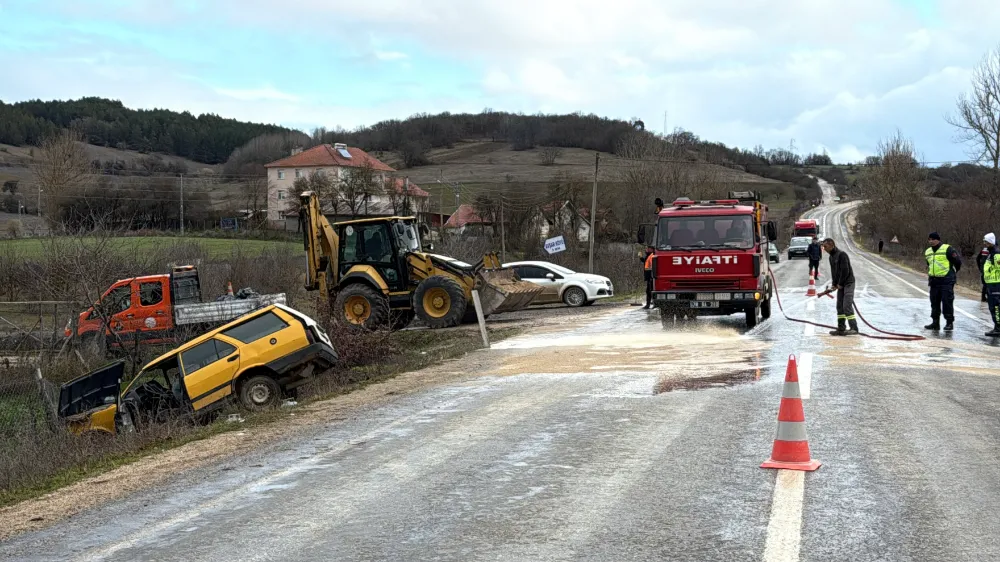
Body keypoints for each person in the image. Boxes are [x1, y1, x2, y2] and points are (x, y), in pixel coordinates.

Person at [817, 238, 858, 336]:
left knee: (847, 305)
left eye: (825, 246)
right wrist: (834, 284)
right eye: (823, 247)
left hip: (848, 283)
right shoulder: (831, 257)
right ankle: (841, 328)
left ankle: (854, 328)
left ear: (832, 245)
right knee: (839, 306)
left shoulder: (842, 255)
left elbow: (845, 271)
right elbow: (834, 273)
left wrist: (840, 284)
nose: (824, 249)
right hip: (840, 284)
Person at [924, 232, 962, 331]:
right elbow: (929, 264)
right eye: (929, 239)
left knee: (947, 302)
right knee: (934, 302)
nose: (931, 241)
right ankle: (935, 323)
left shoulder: (947, 249)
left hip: (946, 280)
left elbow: (957, 262)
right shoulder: (928, 251)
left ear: (938, 240)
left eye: (933, 239)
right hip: (934, 280)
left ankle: (949, 323)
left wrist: (952, 273)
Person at [982, 233, 1000, 337]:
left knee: (996, 307)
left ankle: (998, 328)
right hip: (990, 284)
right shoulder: (990, 253)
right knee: (992, 306)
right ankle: (997, 326)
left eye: (986, 242)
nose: (985, 243)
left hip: (996, 284)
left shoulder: (996, 254)